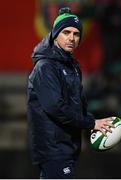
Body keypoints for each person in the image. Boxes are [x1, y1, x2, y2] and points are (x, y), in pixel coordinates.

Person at [27, 7, 114, 179]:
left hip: (67, 148)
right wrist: (90, 123)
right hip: (53, 149)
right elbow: (55, 107)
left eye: (76, 34)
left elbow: (75, 106)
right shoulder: (45, 66)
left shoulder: (72, 66)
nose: (71, 38)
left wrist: (96, 124)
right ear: (55, 34)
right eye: (66, 32)